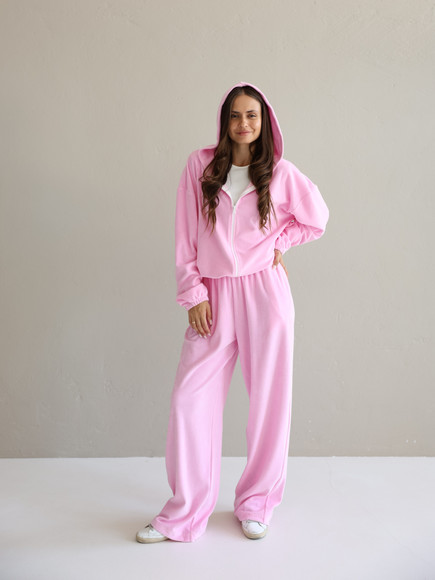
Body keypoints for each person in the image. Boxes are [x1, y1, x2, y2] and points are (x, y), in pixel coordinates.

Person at [136, 81, 329, 543]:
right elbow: (185, 236)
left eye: (252, 116)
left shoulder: (280, 173)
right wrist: (193, 293)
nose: (244, 124)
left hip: (266, 293)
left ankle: (257, 504)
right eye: (236, 115)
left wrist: (281, 242)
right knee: (189, 400)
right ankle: (184, 513)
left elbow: (317, 218)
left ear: (265, 122)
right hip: (213, 294)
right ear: (225, 121)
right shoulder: (200, 166)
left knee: (269, 402)